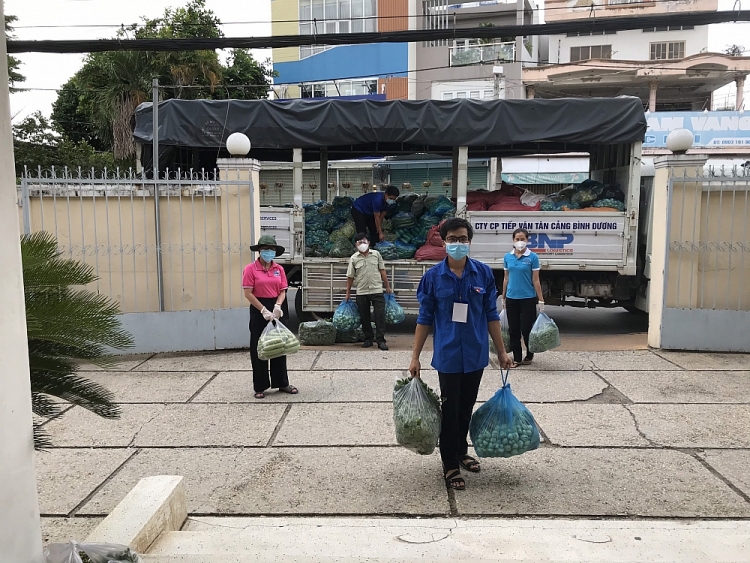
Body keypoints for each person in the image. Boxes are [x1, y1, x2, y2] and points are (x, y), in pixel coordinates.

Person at [408, 218, 512, 491]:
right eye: (452, 239)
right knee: (450, 409)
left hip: (476, 354)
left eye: (463, 238)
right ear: (443, 242)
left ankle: (461, 450)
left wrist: (500, 351)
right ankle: (449, 463)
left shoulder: (483, 274)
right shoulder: (432, 277)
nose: (458, 243)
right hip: (448, 355)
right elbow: (424, 318)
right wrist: (415, 356)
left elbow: (491, 315)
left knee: (466, 406)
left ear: (470, 241)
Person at [242, 235, 298, 399]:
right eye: (266, 249)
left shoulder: (278, 269)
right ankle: (260, 385)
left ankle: (282, 383)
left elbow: (283, 290)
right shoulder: (250, 269)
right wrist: (263, 310)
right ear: (259, 251)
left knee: (279, 345)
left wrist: (278, 306)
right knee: (259, 346)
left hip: (276, 307)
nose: (269, 252)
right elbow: (248, 293)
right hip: (259, 307)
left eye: (272, 249)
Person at [501, 228, 545, 368]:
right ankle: (517, 358)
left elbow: (536, 280)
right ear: (513, 240)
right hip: (512, 298)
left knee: (526, 329)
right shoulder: (508, 257)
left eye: (522, 239)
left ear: (527, 240)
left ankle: (530, 353)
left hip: (528, 298)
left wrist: (541, 299)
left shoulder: (532, 257)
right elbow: (506, 278)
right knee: (513, 330)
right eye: (517, 239)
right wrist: (503, 297)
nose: (520, 242)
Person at [345, 232, 392, 351]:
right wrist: (348, 293)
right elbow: (350, 276)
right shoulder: (354, 258)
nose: (362, 244)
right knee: (364, 316)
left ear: (369, 242)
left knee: (379, 316)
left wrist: (387, 286)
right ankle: (368, 339)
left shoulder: (376, 254)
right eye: (359, 242)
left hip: (377, 289)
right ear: (356, 245)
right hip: (361, 291)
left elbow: (382, 271)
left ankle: (381, 341)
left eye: (364, 241)